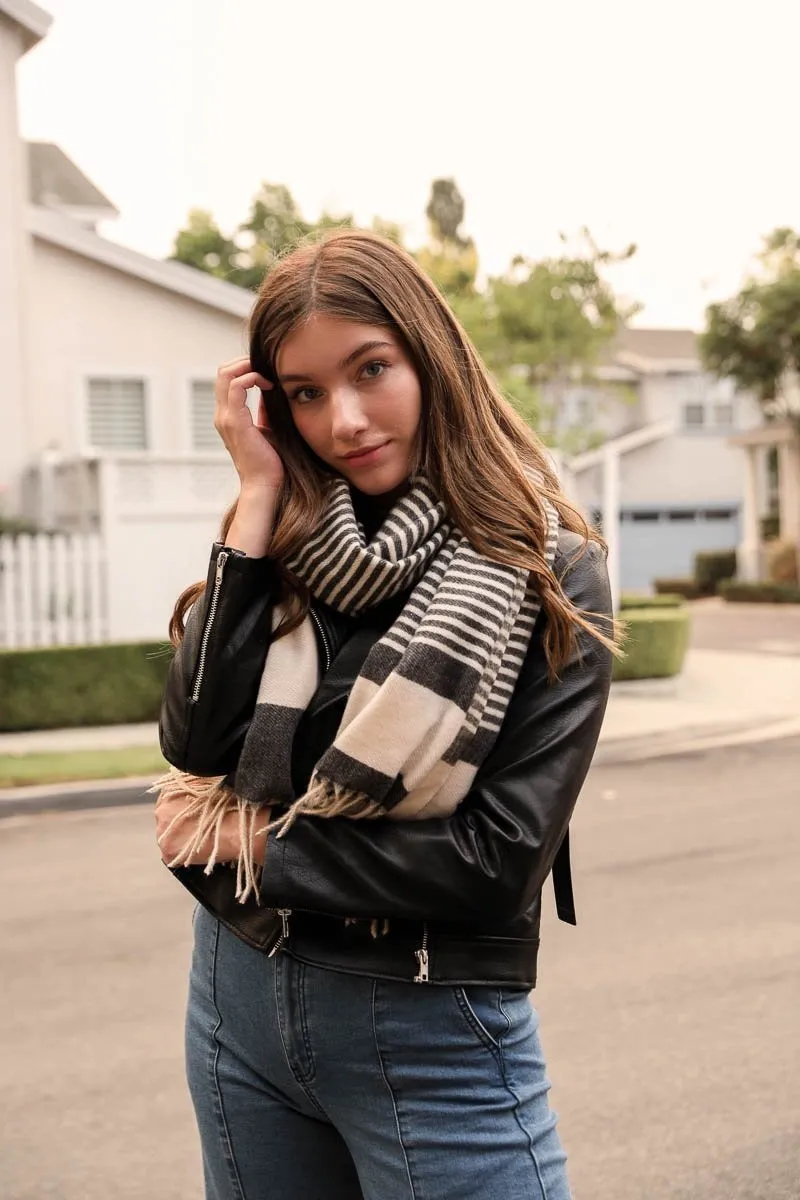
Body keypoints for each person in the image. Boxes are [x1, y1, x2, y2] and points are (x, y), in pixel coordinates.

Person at [154, 229, 616, 1200]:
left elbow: (493, 862)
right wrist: (254, 498)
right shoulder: (287, 542)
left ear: (429, 357)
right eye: (306, 393)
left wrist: (243, 843)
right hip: (236, 999)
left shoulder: (547, 571)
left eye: (371, 370)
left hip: (426, 1017)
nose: (345, 420)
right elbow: (194, 740)